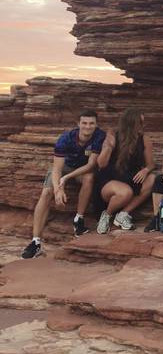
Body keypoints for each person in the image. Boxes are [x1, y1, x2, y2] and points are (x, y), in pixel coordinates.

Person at [21, 110, 107, 259]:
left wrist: (67, 178)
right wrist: (57, 189)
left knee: (89, 178)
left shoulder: (99, 136)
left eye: (91, 123)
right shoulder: (65, 139)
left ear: (96, 124)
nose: (88, 126)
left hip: (82, 169)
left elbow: (91, 165)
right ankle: (35, 242)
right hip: (64, 167)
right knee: (46, 193)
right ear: (78, 124)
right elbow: (57, 168)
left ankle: (78, 220)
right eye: (84, 123)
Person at [95, 107, 155, 234]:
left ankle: (123, 214)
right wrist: (108, 148)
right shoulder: (113, 135)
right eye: (140, 123)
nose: (142, 126)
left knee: (152, 179)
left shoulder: (144, 139)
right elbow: (101, 163)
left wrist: (145, 170)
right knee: (125, 192)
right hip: (109, 180)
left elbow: (151, 165)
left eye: (143, 122)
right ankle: (107, 215)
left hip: (131, 178)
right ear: (130, 123)